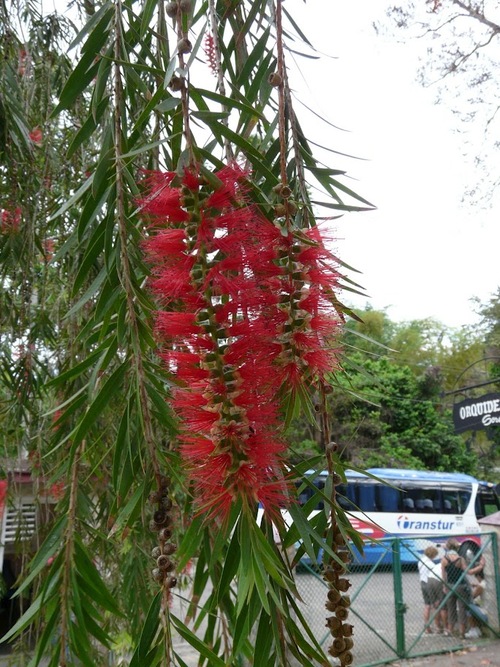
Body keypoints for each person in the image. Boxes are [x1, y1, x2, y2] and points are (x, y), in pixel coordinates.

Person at [441, 538, 471, 638]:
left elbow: (443, 575)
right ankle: (462, 632)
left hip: (450, 585)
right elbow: (468, 572)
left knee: (451, 608)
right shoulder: (460, 559)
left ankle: (450, 630)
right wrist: (480, 566)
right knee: (462, 608)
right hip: (461, 585)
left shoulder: (444, 559)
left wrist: (444, 586)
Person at [418, 545, 444, 634]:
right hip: (429, 583)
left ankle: (427, 626)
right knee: (434, 605)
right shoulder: (431, 564)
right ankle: (437, 626)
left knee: (427, 605)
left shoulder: (421, 560)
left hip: (422, 582)